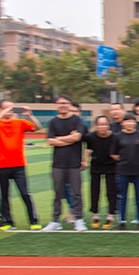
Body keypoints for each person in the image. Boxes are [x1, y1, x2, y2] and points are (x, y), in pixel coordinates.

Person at [0, 100, 42, 231]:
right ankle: (7, 221)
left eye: (11, 108)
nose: (9, 111)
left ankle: (34, 220)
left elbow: (37, 128)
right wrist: (1, 114)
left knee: (25, 193)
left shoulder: (20, 123)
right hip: (1, 165)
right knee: (3, 196)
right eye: (6, 108)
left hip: (18, 165)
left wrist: (30, 115)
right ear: (0, 110)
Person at [42, 94, 87, 232]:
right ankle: (55, 221)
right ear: (56, 105)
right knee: (57, 193)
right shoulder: (53, 122)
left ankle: (79, 220)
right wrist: (69, 138)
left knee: (76, 193)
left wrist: (59, 139)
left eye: (65, 103)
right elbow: (50, 141)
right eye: (60, 103)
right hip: (58, 164)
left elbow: (77, 137)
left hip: (74, 163)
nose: (63, 105)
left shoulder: (77, 120)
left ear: (69, 105)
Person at [111, 112, 139, 229]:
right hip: (123, 171)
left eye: (132, 121)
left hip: (138, 171)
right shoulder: (117, 136)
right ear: (122, 123)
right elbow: (113, 153)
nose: (129, 123)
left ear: (135, 123)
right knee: (123, 197)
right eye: (127, 121)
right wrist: (124, 159)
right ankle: (122, 220)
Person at [85, 115, 118, 229]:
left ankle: (111, 215)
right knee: (95, 191)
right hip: (96, 165)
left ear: (109, 125)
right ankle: (95, 214)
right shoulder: (91, 137)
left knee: (111, 191)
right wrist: (85, 161)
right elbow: (88, 149)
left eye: (104, 124)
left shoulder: (115, 137)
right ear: (96, 126)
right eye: (99, 124)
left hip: (111, 166)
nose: (102, 127)